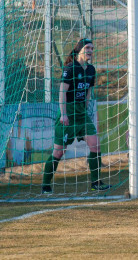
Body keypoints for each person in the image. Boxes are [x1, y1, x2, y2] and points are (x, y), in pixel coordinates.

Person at [42, 38, 111, 194]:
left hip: (82, 114)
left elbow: (88, 92)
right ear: (80, 50)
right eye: (87, 48)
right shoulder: (70, 68)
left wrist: (86, 109)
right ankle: (45, 184)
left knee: (96, 145)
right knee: (59, 152)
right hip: (68, 114)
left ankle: (96, 182)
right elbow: (62, 92)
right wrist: (64, 114)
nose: (90, 51)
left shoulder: (91, 70)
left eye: (92, 48)